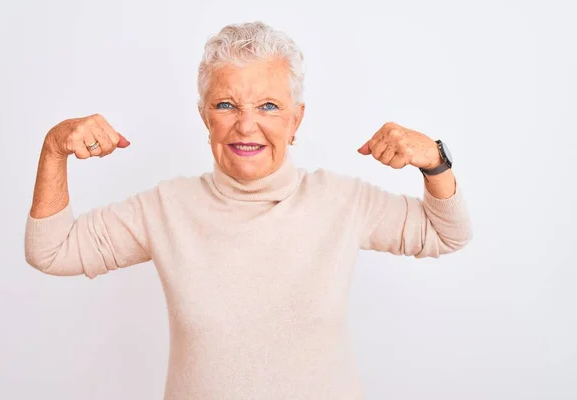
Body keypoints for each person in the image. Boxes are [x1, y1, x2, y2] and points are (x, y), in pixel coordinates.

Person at [25, 21, 472, 400]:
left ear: (295, 120)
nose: (245, 124)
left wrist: (434, 160)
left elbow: (446, 233)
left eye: (268, 107)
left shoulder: (341, 201)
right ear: (205, 116)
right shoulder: (165, 208)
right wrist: (53, 150)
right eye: (226, 105)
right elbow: (52, 251)